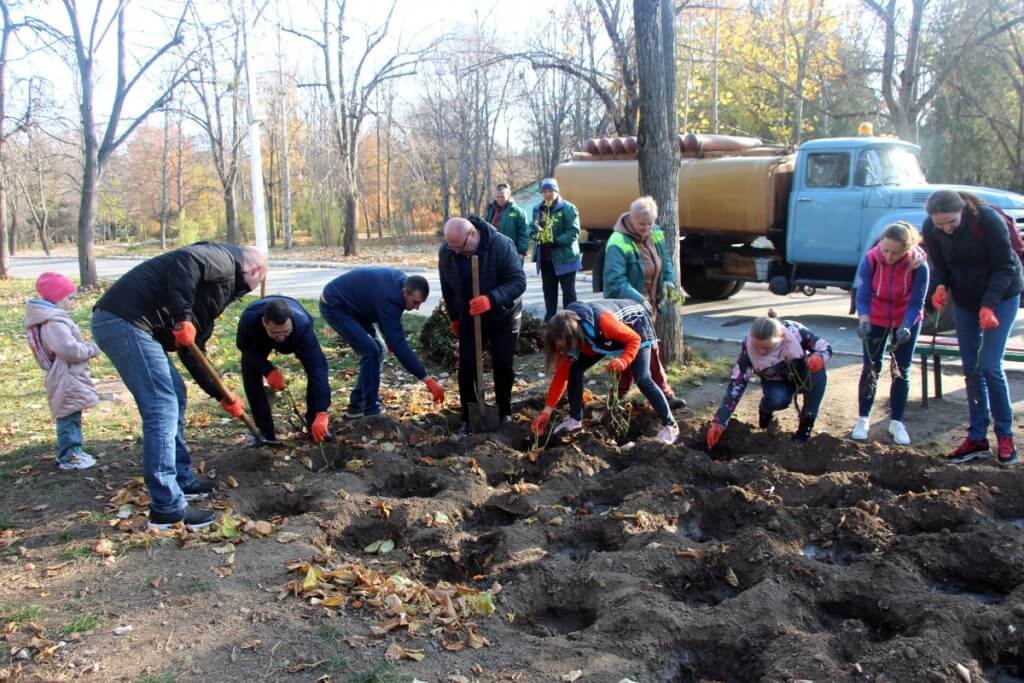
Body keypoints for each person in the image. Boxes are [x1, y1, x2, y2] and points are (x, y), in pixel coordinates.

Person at [91, 242, 268, 530]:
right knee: (161, 405)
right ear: (256, 270)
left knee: (175, 392)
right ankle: (167, 509)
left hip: (134, 325)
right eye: (260, 279)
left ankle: (182, 480)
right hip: (125, 321)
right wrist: (183, 317)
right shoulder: (224, 260)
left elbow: (191, 347)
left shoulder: (216, 289)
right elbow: (186, 262)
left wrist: (220, 394)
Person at [923, 189, 1023, 465]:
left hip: (1001, 296)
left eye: (951, 222)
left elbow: (1006, 267)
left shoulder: (987, 221)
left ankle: (1005, 435)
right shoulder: (932, 227)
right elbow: (940, 265)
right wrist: (940, 286)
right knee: (971, 368)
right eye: (940, 224)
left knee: (990, 365)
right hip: (966, 299)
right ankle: (977, 437)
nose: (946, 228)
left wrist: (989, 305)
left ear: (962, 211)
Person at [530, 300, 679, 445]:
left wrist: (623, 360)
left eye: (568, 346)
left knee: (643, 378)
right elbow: (561, 376)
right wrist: (546, 412)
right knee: (574, 370)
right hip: (601, 339)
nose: (566, 351)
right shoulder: (565, 337)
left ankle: (671, 425)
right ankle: (575, 419)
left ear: (574, 335)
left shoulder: (603, 322)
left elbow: (634, 339)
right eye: (562, 348)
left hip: (636, 328)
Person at [439, 216, 527, 433]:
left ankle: (504, 411)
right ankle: (469, 415)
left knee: (503, 365)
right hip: (470, 315)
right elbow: (448, 289)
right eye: (453, 248)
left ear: (473, 234)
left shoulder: (501, 245)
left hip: (505, 315)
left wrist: (492, 299)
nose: (457, 252)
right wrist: (454, 318)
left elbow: (518, 281)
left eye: (460, 247)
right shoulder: (448, 252)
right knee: (467, 365)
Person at [319, 268, 444, 418]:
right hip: (335, 305)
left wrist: (389, 338)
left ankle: (358, 403)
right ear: (405, 292)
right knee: (371, 351)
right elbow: (399, 344)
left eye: (420, 303)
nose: (416, 308)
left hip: (357, 308)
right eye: (415, 302)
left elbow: (384, 319)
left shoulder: (401, 284)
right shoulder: (391, 298)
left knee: (381, 349)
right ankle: (370, 410)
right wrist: (427, 379)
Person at [602, 196, 686, 410]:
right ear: (631, 219)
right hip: (628, 308)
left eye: (650, 224)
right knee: (648, 348)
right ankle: (664, 394)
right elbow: (614, 282)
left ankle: (614, 399)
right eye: (642, 225)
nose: (647, 229)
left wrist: (668, 280)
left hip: (650, 307)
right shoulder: (617, 242)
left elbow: (665, 259)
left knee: (633, 352)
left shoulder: (654, 231)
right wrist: (639, 299)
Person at [706, 310, 832, 447]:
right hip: (775, 382)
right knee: (777, 400)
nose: (760, 352)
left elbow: (825, 347)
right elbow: (737, 383)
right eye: (757, 346)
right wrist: (720, 420)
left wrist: (820, 356)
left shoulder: (796, 332)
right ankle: (765, 410)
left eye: (766, 348)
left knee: (817, 377)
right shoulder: (747, 348)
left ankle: (803, 432)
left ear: (781, 337)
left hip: (804, 376)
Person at [852, 222, 929, 445]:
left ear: (907, 248)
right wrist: (864, 319)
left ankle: (897, 422)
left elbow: (917, 301)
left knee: (901, 370)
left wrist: (906, 325)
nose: (889, 255)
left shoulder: (918, 266)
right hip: (875, 316)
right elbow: (863, 293)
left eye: (896, 252)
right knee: (871, 367)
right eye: (886, 249)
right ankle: (863, 418)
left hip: (905, 317)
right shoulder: (871, 259)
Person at [25, 272, 101, 471]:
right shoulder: (54, 323)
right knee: (68, 415)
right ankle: (69, 456)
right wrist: (90, 349)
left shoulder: (53, 320)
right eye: (69, 297)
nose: (72, 302)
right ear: (57, 298)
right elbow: (70, 350)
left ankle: (73, 451)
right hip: (66, 377)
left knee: (72, 413)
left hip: (68, 375)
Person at [236, 297, 331, 445]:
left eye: (285, 332)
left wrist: (322, 410)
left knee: (314, 372)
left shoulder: (302, 324)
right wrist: (267, 370)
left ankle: (314, 423)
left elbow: (318, 367)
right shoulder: (249, 320)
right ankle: (265, 432)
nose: (280, 338)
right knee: (250, 372)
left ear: (291, 321)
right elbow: (244, 346)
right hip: (260, 339)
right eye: (275, 333)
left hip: (296, 338)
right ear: (264, 323)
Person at [530, 178, 581, 321]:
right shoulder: (538, 209)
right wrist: (535, 235)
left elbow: (573, 231)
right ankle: (550, 321)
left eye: (550, 191)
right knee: (549, 292)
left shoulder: (568, 208)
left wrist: (557, 241)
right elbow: (533, 227)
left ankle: (571, 320)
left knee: (568, 292)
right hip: (546, 260)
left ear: (556, 191)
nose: (547, 194)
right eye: (544, 191)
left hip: (566, 258)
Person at [484, 183, 530, 262]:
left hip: (512, 253)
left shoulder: (518, 212)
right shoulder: (490, 210)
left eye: (502, 197)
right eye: (497, 197)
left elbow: (524, 233)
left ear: (509, 196)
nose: (499, 199)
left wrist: (521, 252)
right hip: (492, 253)